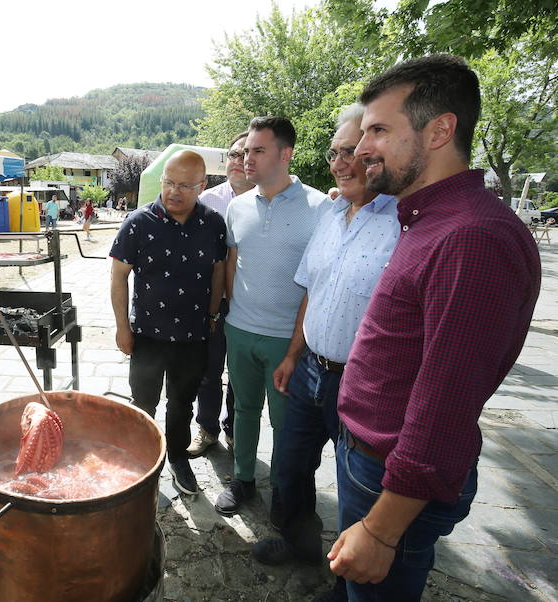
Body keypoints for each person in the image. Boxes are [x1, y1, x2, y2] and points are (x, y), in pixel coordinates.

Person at [327, 54, 540, 601]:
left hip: (391, 481)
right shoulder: (430, 220)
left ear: (440, 129)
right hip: (370, 463)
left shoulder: (471, 238)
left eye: (379, 129)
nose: (362, 147)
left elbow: (445, 403)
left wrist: (380, 530)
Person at [250, 105, 399, 602]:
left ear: (377, 155)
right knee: (290, 466)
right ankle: (300, 543)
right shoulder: (332, 215)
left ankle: (347, 580)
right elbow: (312, 290)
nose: (340, 162)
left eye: (352, 151)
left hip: (362, 381)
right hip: (312, 367)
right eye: (335, 152)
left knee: (357, 486)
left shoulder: (403, 222)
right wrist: (294, 354)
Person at [214, 116, 330, 521]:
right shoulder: (238, 206)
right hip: (241, 330)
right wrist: (228, 310)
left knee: (286, 423)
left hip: (287, 339)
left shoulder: (320, 208)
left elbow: (318, 284)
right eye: (245, 151)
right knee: (244, 410)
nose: (248, 159)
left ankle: (283, 491)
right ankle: (242, 479)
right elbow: (232, 259)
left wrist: (298, 348)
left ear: (286, 153)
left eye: (258, 150)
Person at [109, 150, 227, 496]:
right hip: (147, 333)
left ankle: (177, 459)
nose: (174, 191)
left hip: (193, 334)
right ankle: (141, 461)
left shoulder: (213, 223)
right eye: (169, 182)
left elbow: (219, 269)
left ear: (202, 185)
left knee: (182, 405)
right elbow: (118, 277)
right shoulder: (138, 222)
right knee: (143, 402)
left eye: (185, 186)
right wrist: (122, 327)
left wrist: (213, 315)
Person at [186, 131, 253, 457]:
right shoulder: (207, 200)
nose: (238, 161)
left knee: (240, 376)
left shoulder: (268, 201)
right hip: (211, 302)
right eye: (233, 154)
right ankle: (207, 429)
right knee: (209, 371)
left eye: (245, 154)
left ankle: (235, 432)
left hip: (249, 303)